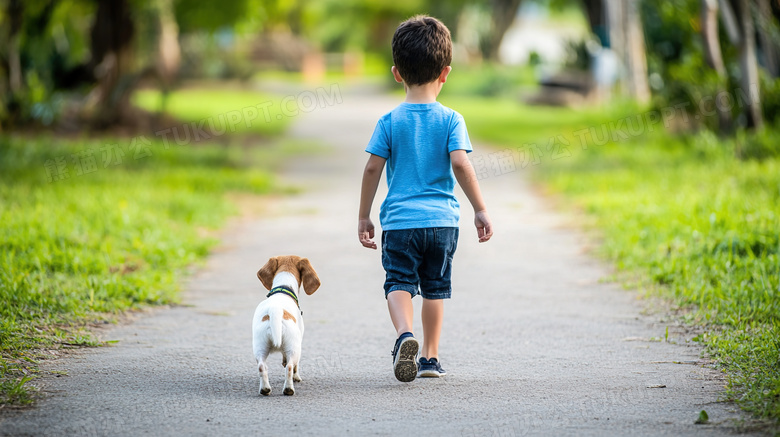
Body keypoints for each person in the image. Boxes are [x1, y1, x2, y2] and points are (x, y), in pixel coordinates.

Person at [357, 15, 493, 382]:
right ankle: (430, 359)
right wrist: (479, 209)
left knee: (398, 282)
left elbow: (372, 169)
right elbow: (462, 165)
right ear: (445, 73)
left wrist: (364, 216)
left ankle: (405, 335)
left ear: (396, 73)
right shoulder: (451, 119)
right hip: (442, 223)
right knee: (436, 288)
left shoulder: (389, 121)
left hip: (401, 223)